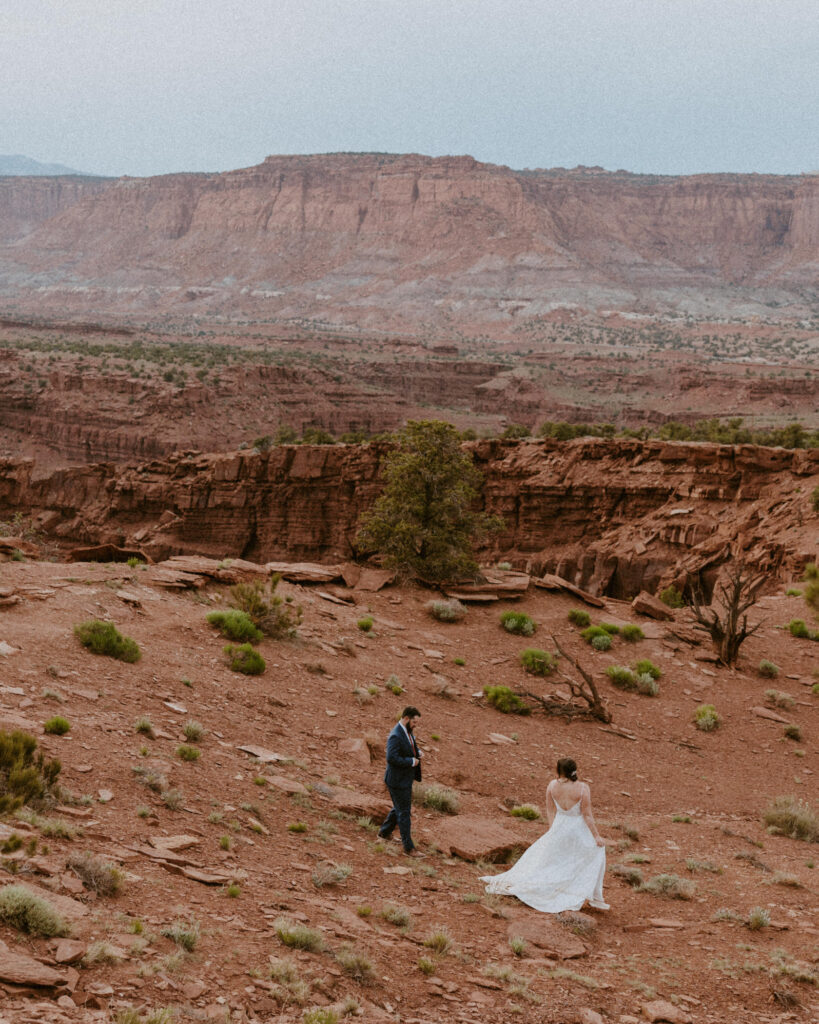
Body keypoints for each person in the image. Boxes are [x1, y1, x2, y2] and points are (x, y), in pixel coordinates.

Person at [480, 757, 609, 912]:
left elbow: (550, 810)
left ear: (558, 770)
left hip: (559, 825)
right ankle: (591, 896)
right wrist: (596, 836)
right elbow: (587, 815)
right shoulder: (582, 788)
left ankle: (560, 887)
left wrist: (552, 829)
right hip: (577, 828)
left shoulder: (552, 786)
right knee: (594, 852)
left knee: (555, 859)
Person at [378, 706, 423, 857]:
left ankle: (384, 833)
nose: (416, 724)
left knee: (399, 807)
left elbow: (410, 745)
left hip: (403, 779)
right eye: (414, 722)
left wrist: (417, 753)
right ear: (406, 718)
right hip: (397, 781)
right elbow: (391, 758)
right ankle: (409, 848)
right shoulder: (396, 735)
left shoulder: (407, 732)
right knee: (404, 812)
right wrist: (411, 761)